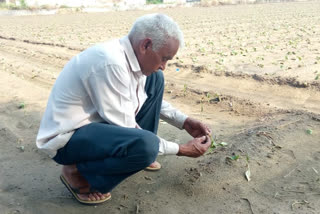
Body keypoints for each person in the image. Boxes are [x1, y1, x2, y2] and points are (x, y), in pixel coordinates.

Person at [36, 13, 212, 205]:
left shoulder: (132, 59)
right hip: (68, 140)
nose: (164, 66)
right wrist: (181, 149)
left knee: (155, 79)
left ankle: (146, 151)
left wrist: (184, 121)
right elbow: (126, 126)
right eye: (164, 58)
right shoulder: (110, 63)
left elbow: (143, 98)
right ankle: (78, 173)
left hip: (96, 127)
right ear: (145, 45)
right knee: (146, 146)